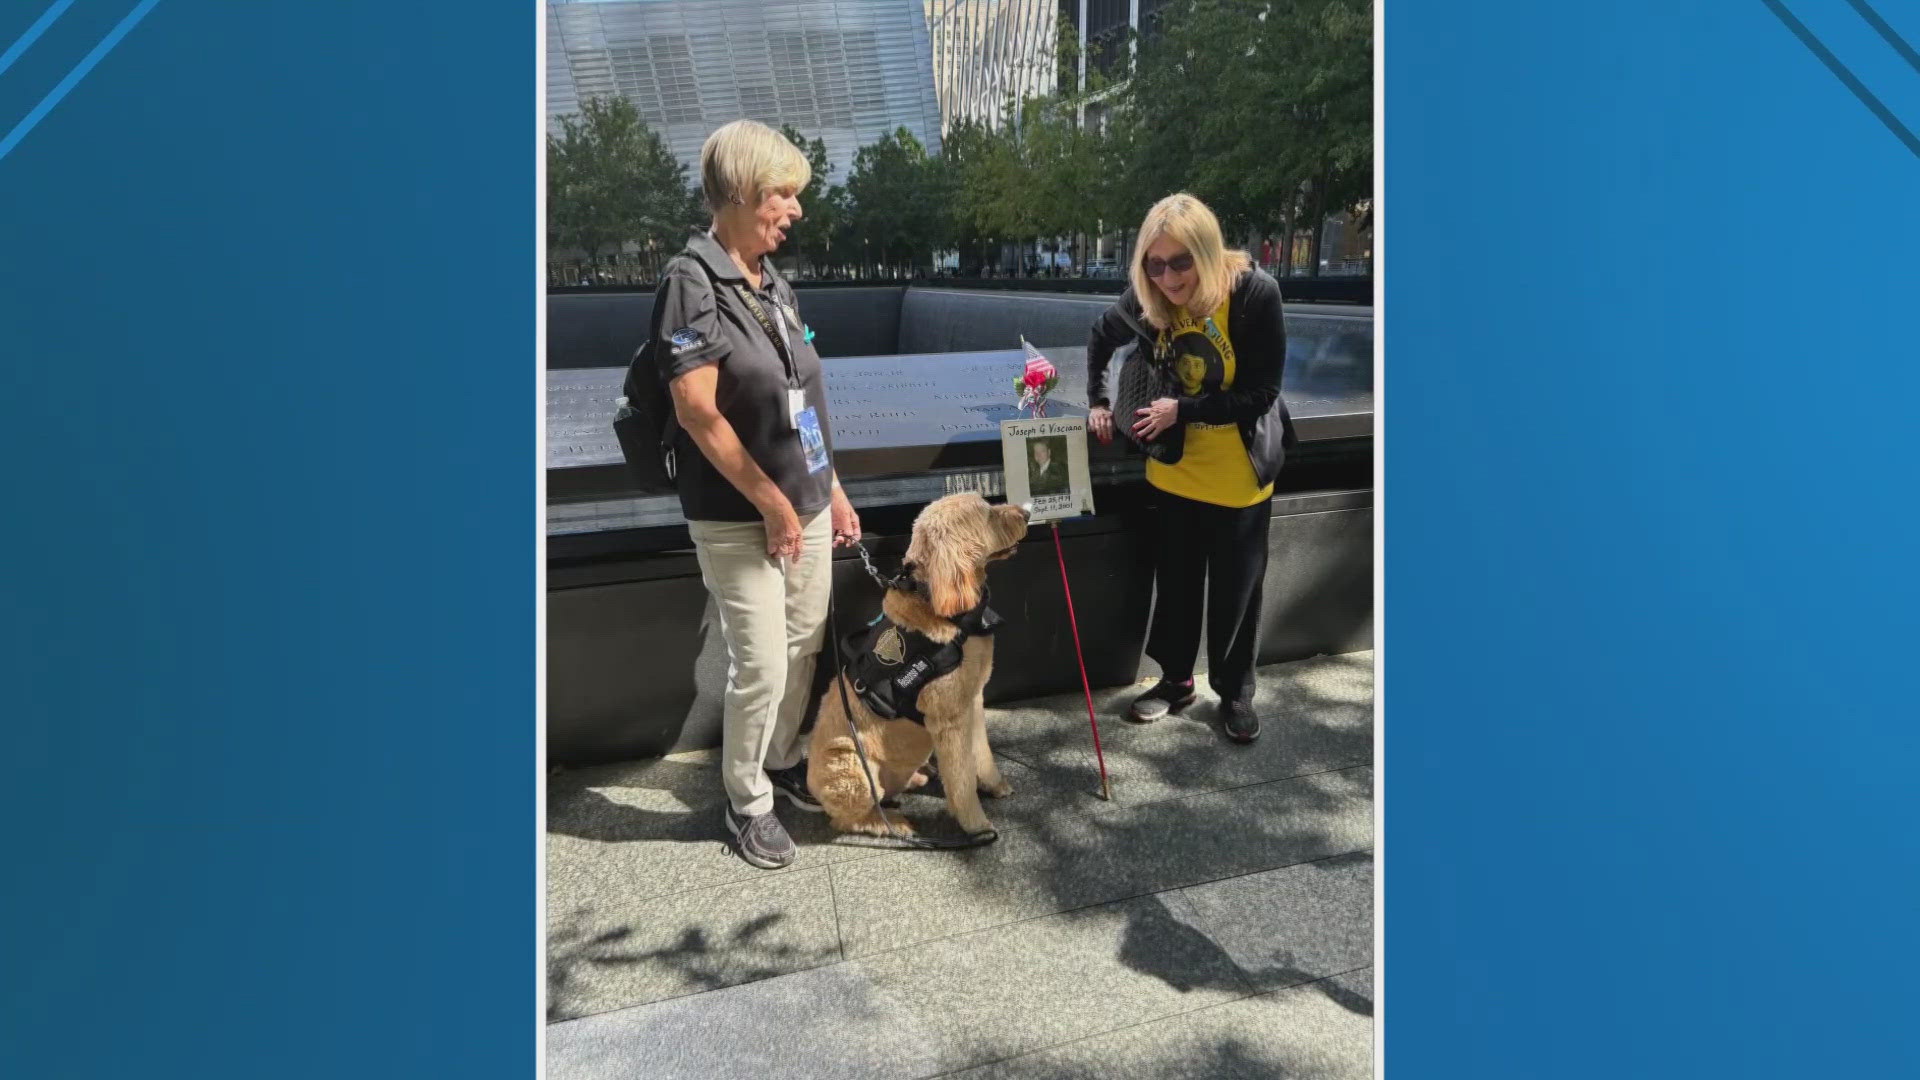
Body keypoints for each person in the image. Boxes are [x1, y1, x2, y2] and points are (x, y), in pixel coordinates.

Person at [653, 120, 862, 868]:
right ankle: (745, 800)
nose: (796, 209)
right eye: (783, 193)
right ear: (741, 192)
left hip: (802, 505)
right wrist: (775, 504)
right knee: (764, 664)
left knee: (804, 644)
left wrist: (829, 490)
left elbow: (799, 400)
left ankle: (777, 760)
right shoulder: (692, 280)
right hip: (738, 519)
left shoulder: (772, 282)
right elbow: (697, 411)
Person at [1085, 193, 1297, 744]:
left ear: (1206, 252)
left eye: (1180, 262)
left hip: (1238, 479)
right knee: (1176, 585)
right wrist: (1098, 401)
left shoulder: (1254, 294)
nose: (1168, 277)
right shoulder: (1150, 296)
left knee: (1237, 593)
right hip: (1174, 473)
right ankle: (1176, 681)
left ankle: (1235, 694)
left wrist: (1186, 409)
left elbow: (1262, 393)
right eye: (1155, 264)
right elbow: (1099, 337)